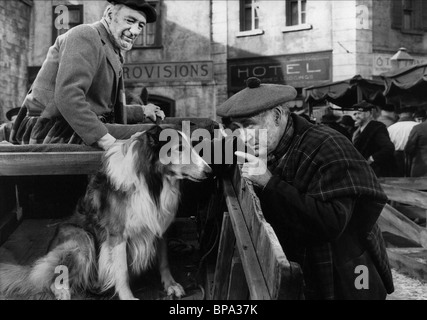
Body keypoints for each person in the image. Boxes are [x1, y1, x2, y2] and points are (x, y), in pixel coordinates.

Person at [216, 77, 394, 300]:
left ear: (278, 116)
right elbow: (212, 154)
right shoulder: (264, 140)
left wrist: (269, 183)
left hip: (344, 271)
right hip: (300, 267)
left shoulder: (328, 144)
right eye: (237, 128)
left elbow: (332, 222)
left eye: (249, 125)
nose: (243, 136)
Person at [10, 0, 164, 150]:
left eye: (140, 25)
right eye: (130, 21)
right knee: (160, 135)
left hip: (72, 126)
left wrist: (142, 112)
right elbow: (68, 97)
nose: (135, 31)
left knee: (160, 133)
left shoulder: (111, 48)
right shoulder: (86, 35)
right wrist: (106, 140)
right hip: (50, 129)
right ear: (110, 15)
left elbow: (101, 108)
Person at [352, 101, 396, 177]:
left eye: (359, 113)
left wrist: (371, 159)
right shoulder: (357, 131)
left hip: (377, 171)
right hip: (363, 171)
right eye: (355, 114)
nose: (356, 116)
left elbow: (388, 148)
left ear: (368, 113)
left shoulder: (377, 128)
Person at [387, 107, 418, 177]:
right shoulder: (417, 126)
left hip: (395, 156)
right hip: (414, 157)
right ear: (413, 114)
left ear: (399, 115)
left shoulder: (391, 128)